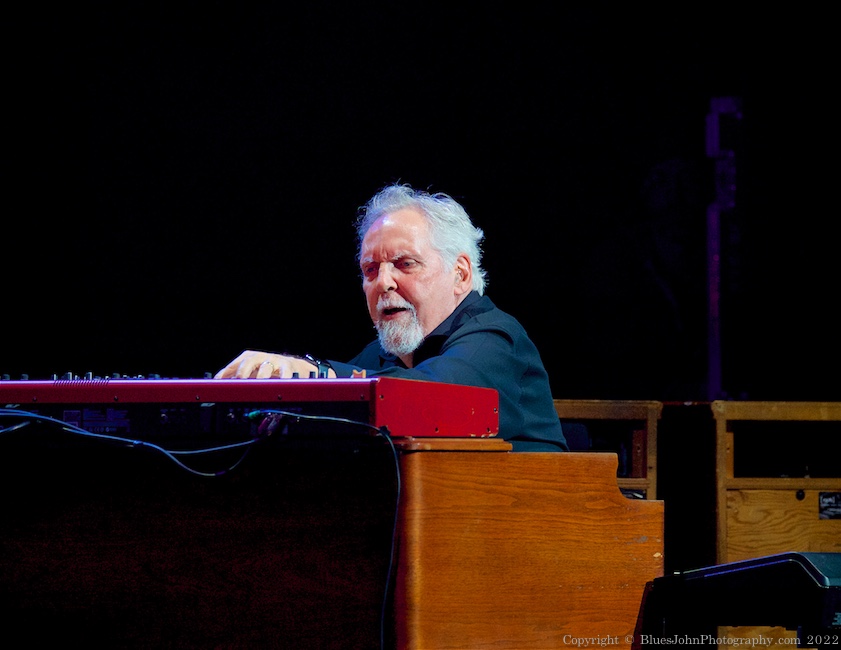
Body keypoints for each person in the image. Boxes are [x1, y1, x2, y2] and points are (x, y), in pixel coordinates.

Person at [215, 183, 567, 451]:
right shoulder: (387, 353)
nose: (383, 282)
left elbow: (435, 398)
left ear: (460, 274)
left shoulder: (493, 337)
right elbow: (338, 406)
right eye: (370, 269)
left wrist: (317, 374)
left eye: (405, 264)